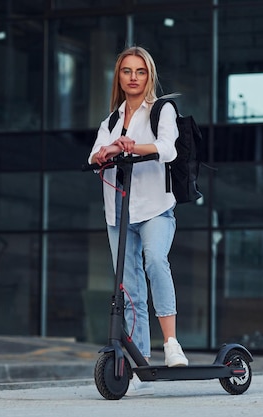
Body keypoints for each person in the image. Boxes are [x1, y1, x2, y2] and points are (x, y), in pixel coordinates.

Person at [88, 46, 188, 396]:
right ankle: (140, 357)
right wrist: (110, 149)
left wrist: (129, 148)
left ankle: (171, 343)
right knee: (129, 288)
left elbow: (168, 149)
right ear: (119, 77)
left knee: (156, 262)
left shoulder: (162, 110)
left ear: (149, 76)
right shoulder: (111, 120)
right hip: (118, 212)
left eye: (140, 71)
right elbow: (95, 154)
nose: (133, 77)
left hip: (155, 208)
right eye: (127, 71)